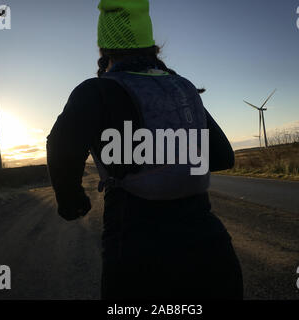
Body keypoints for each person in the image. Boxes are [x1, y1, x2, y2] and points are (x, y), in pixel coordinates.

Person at [47, 0, 243, 300]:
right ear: (153, 47)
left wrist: (72, 201)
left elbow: (60, 147)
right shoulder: (183, 88)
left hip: (137, 259)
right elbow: (222, 156)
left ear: (104, 49)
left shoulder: (96, 91)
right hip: (212, 255)